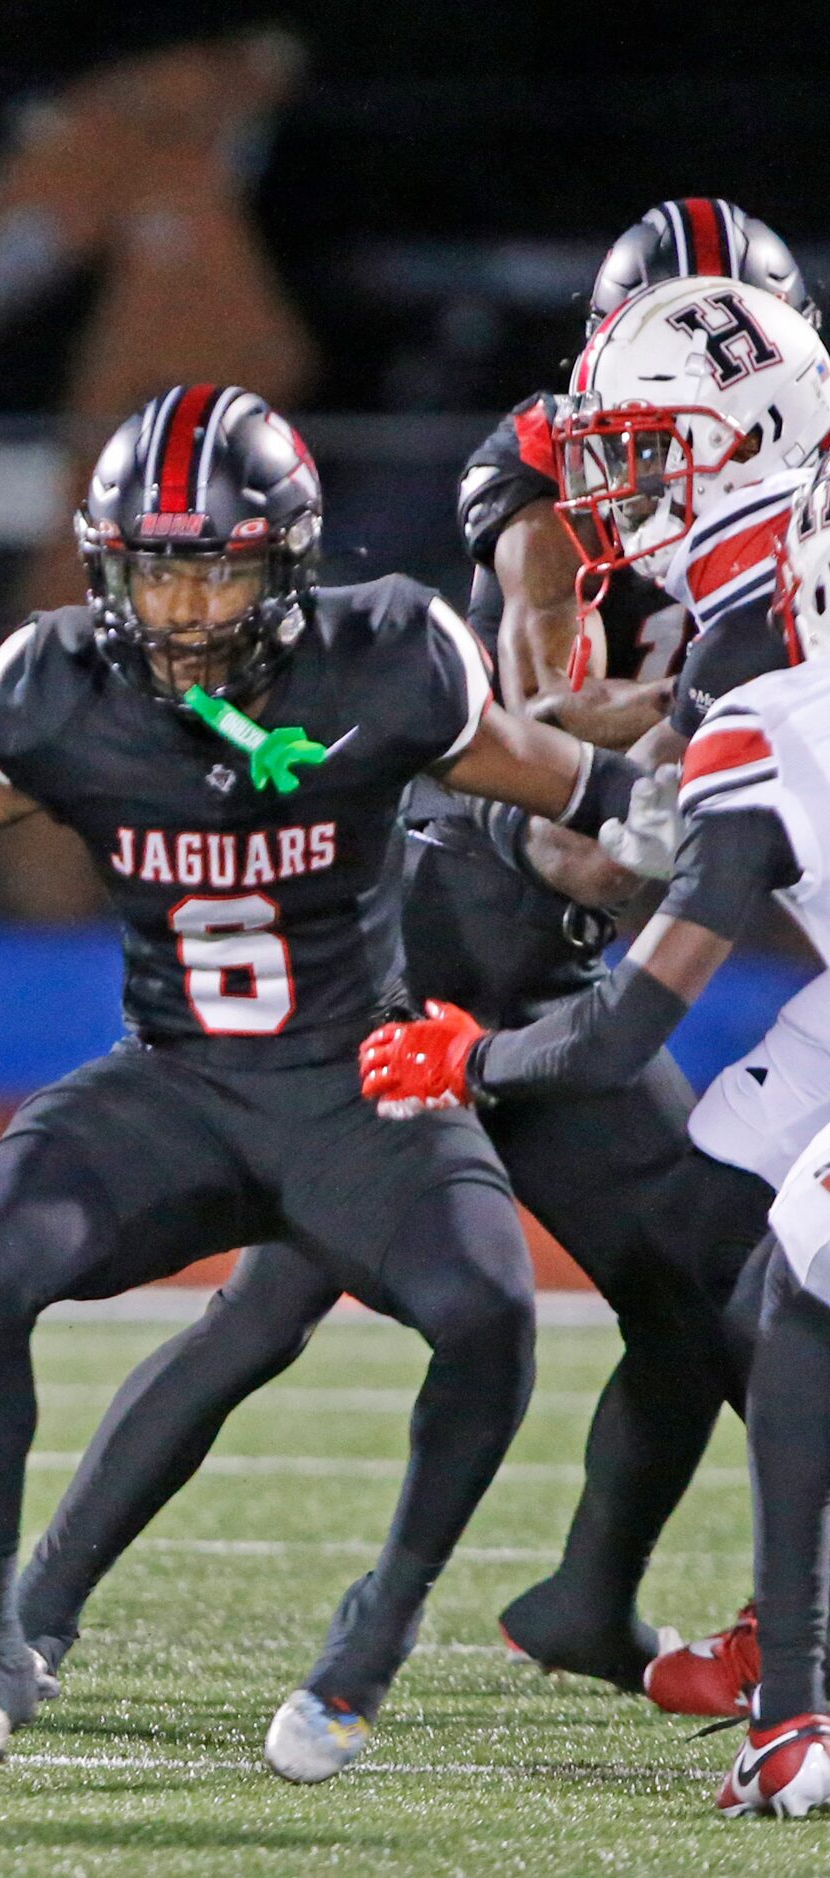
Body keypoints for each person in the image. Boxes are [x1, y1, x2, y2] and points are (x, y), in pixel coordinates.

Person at [0, 384, 676, 1779]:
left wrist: (679, 809)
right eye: (156, 565)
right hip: (174, 1083)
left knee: (491, 1317)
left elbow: (551, 774)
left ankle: (368, 1640)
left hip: (361, 1077)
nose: (182, 601)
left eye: (216, 562)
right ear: (108, 568)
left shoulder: (389, 655)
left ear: (287, 563)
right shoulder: (58, 687)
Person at [0, 205, 816, 1704]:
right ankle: (30, 1609)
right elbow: (543, 714)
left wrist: (703, 764)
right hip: (450, 935)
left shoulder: (784, 523)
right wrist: (675, 760)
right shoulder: (561, 465)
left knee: (708, 1282)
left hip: (565, 970)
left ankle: (599, 1596)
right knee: (276, 1296)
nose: (663, 444)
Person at [362, 457, 830, 1817]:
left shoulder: (753, 705)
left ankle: (797, 1704)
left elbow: (623, 1032)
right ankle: (680, 1617)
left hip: (547, 995)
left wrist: (472, 1055)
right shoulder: (749, 691)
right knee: (705, 1244)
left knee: (799, 1289)